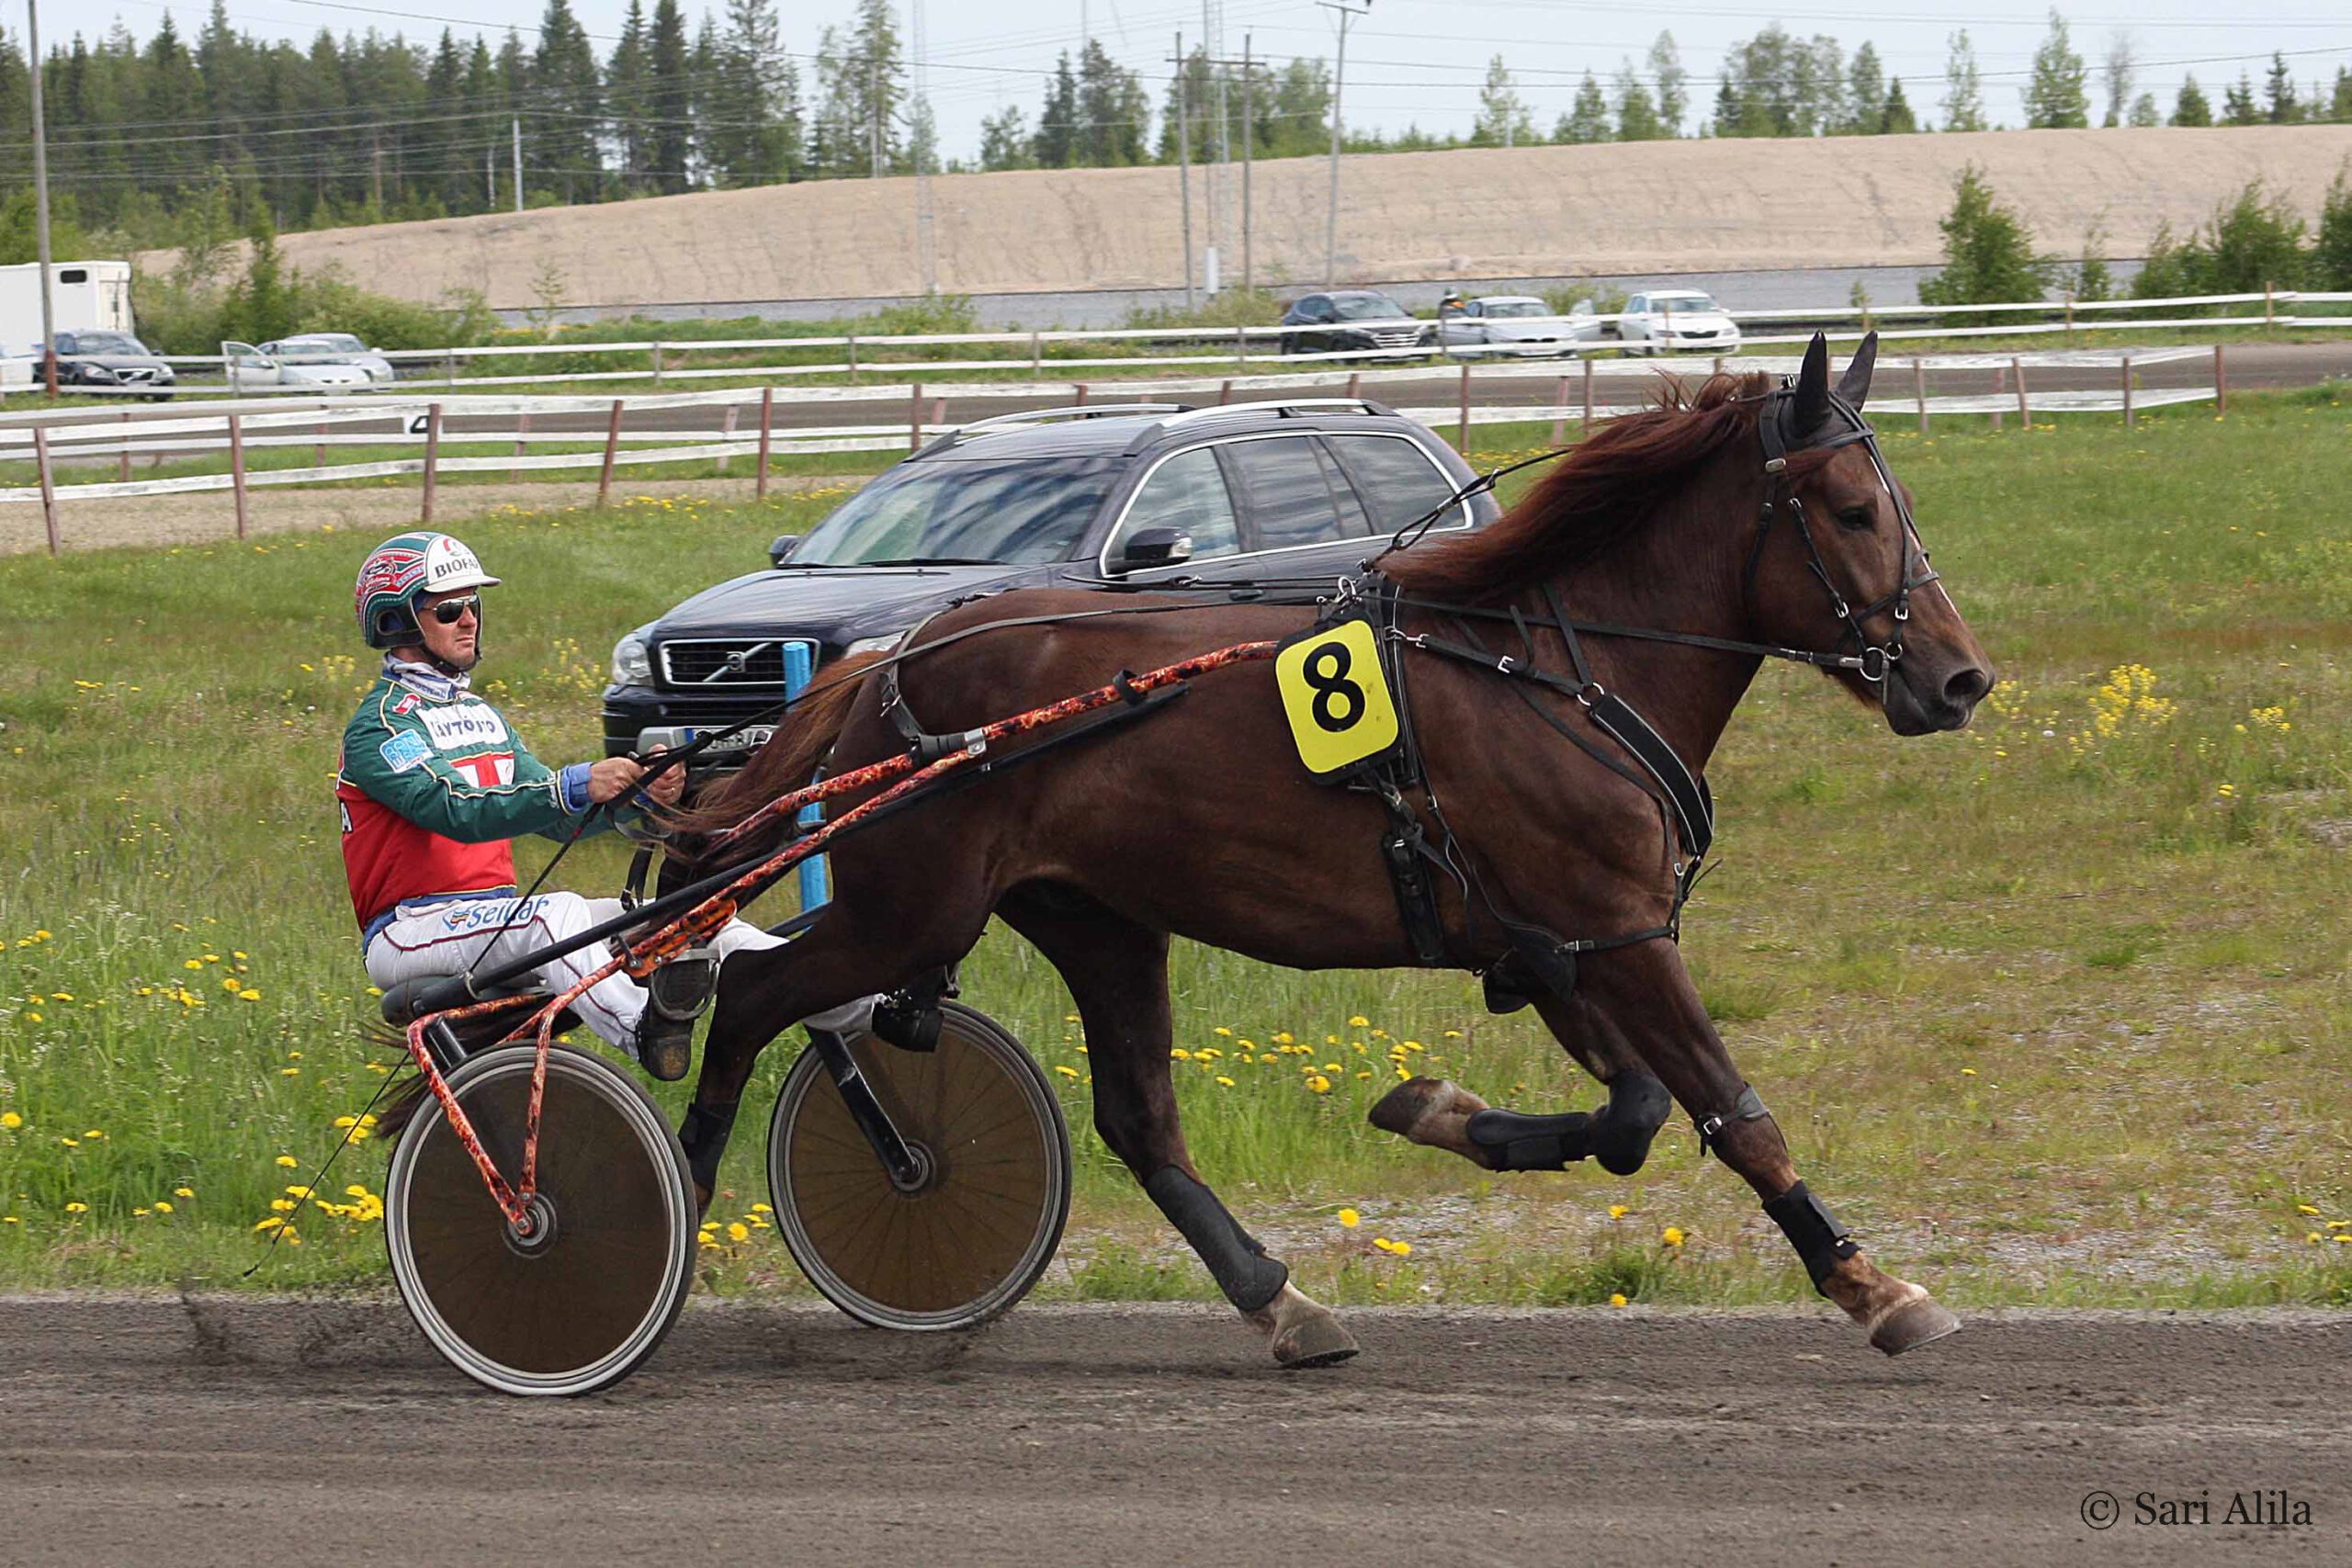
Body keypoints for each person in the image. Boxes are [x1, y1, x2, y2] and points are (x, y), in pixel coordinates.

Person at [335, 530, 786, 1081]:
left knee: (688, 916)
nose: (469, 620)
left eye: (473, 605)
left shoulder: (482, 715)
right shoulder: (381, 728)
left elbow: (550, 814)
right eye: (449, 610)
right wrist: (578, 783)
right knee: (556, 915)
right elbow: (457, 810)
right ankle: (642, 1028)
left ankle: (828, 996)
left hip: (488, 919)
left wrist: (636, 795)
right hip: (409, 931)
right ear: (397, 623)